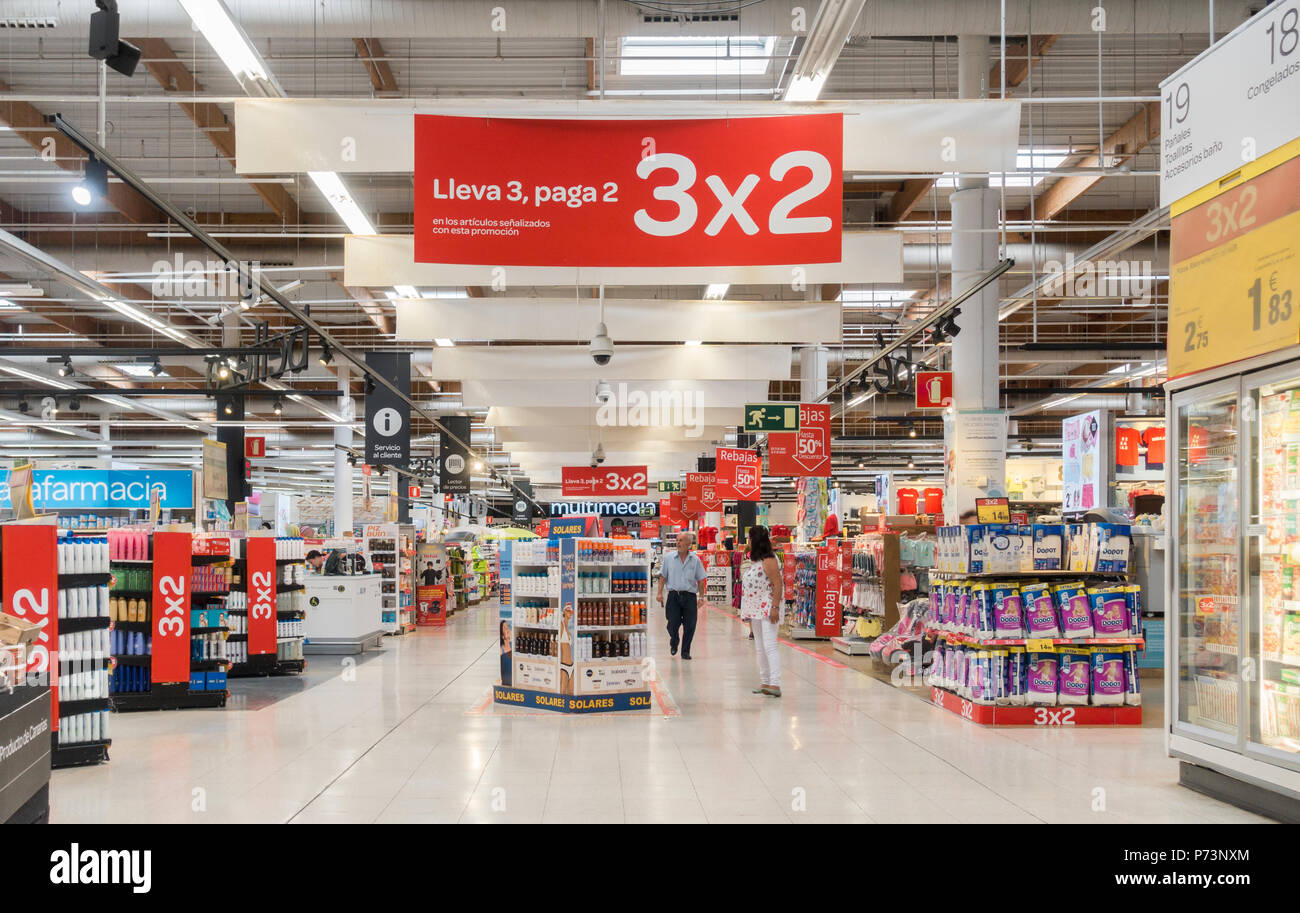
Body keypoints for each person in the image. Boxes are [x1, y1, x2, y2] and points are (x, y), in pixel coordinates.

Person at [739, 526, 785, 697]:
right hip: (755, 608)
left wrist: (775, 607)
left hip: (767, 607)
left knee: (770, 644)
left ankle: (775, 683)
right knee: (760, 646)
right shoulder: (757, 561)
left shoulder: (769, 560)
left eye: (750, 538)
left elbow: (778, 584)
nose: (748, 542)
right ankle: (765, 681)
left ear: (756, 540)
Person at [656, 530, 706, 659]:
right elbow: (663, 577)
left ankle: (685, 652)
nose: (678, 542)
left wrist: (701, 597)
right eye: (677, 540)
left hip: (689, 596)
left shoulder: (695, 560)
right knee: (672, 623)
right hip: (673, 596)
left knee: (690, 625)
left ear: (689, 544)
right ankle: (674, 640)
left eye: (681, 540)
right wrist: (659, 593)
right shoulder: (669, 558)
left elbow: (701, 579)